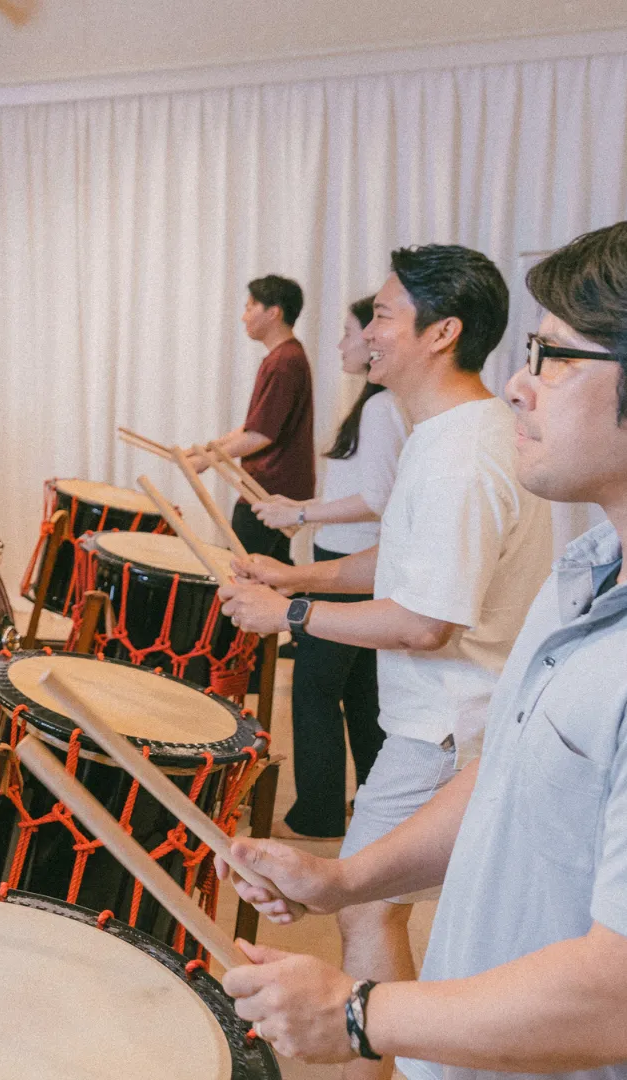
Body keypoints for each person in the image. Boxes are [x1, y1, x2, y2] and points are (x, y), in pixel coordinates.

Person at [217, 206, 627, 1080]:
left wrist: (356, 1014)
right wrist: (345, 881)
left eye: (557, 359)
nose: (521, 386)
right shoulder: (588, 571)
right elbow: (505, 778)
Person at [218, 245, 554, 1080]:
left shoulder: (465, 454)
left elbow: (425, 622)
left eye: (384, 315)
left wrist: (290, 613)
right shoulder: (441, 435)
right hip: (438, 718)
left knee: (365, 914)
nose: (368, 329)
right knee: (373, 911)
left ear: (443, 332)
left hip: (448, 725)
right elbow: (399, 564)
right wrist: (291, 572)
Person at [251, 295, 408, 838]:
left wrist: (299, 511)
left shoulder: (381, 408)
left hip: (352, 562)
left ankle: (317, 811)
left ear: (373, 341)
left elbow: (379, 496)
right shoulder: (379, 405)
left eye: (348, 332)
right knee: (360, 690)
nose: (341, 343)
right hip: (347, 555)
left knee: (315, 689)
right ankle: (371, 802)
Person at [196, 275, 316, 563]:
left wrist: (206, 460)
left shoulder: (285, 361)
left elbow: (262, 436)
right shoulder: (285, 356)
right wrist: (208, 449)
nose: (243, 316)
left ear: (273, 313)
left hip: (271, 490)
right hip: (272, 485)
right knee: (271, 570)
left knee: (246, 570)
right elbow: (255, 425)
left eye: (250, 307)